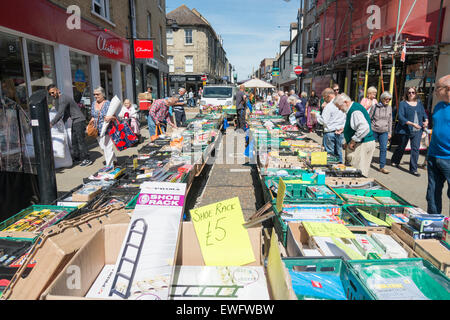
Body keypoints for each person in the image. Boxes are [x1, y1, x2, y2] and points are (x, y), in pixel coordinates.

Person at [47, 84, 92, 167]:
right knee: (74, 141)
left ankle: (87, 159)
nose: (52, 95)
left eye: (53, 92)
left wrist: (51, 123)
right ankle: (77, 158)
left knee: (80, 140)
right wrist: (63, 122)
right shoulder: (61, 99)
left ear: (57, 90)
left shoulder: (63, 98)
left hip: (79, 120)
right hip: (75, 121)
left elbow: (60, 113)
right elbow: (67, 113)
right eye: (50, 94)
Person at [334, 93, 376, 177]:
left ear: (345, 102)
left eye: (339, 106)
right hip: (364, 143)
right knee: (360, 170)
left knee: (358, 172)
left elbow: (364, 127)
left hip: (362, 145)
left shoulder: (354, 111)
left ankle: (359, 189)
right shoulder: (353, 108)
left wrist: (353, 140)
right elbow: (356, 125)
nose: (339, 109)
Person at [391, 87, 428, 177]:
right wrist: (412, 124)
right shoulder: (403, 103)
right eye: (409, 92)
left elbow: (424, 113)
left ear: (416, 93)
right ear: (406, 94)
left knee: (415, 149)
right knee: (401, 147)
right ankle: (395, 160)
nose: (411, 94)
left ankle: (413, 169)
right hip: (405, 129)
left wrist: (426, 121)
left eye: (413, 92)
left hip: (417, 130)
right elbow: (401, 117)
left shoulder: (419, 103)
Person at [426, 75, 450, 214]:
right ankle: (434, 225)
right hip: (434, 155)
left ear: (448, 89)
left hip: (449, 158)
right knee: (432, 192)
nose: (435, 91)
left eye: (437, 88)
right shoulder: (439, 105)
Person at [311, 88, 346, 163]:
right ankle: (339, 168)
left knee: (330, 154)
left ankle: (331, 169)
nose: (323, 99)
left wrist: (316, 115)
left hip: (330, 132)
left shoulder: (329, 106)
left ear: (329, 96)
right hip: (340, 131)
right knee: (339, 152)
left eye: (324, 97)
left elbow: (323, 121)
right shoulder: (341, 103)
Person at [90, 87, 117, 172]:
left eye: (97, 94)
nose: (95, 96)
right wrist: (91, 120)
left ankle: (109, 165)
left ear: (103, 94)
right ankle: (114, 160)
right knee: (102, 147)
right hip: (97, 129)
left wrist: (110, 117)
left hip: (107, 128)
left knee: (107, 147)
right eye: (94, 94)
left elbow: (115, 117)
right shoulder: (93, 103)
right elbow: (93, 115)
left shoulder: (108, 103)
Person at [369, 91, 393, 174]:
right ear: (382, 98)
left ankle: (382, 167)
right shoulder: (374, 106)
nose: (388, 101)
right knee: (370, 147)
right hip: (374, 130)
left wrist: (390, 132)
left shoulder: (389, 108)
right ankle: (366, 162)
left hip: (384, 131)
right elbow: (369, 118)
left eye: (389, 99)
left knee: (383, 149)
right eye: (386, 99)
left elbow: (390, 120)